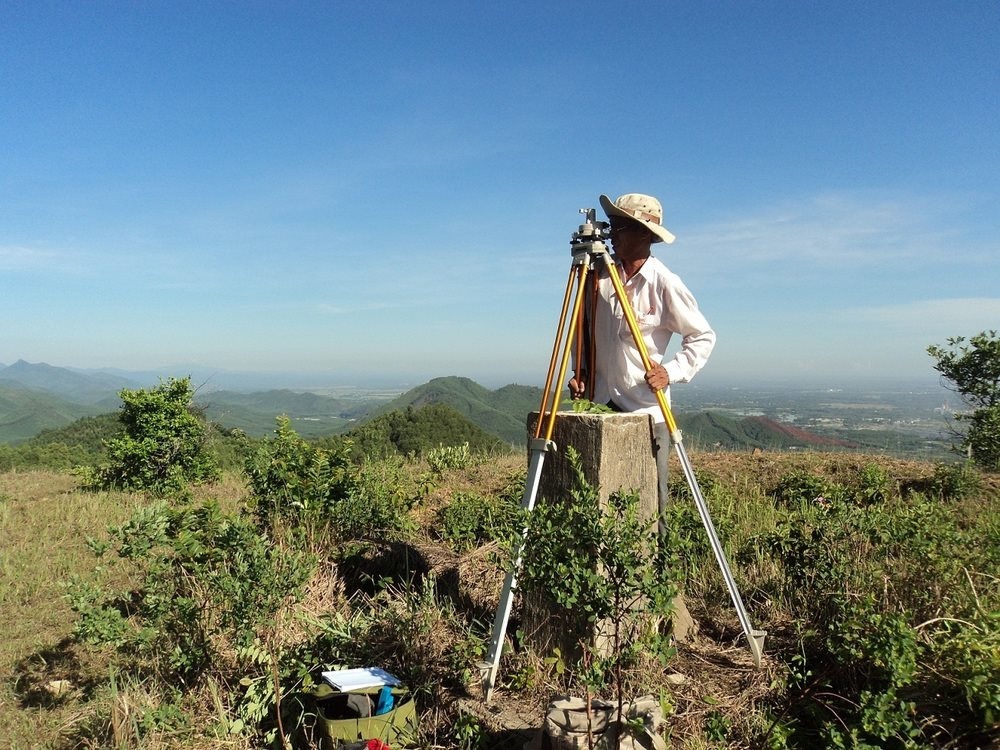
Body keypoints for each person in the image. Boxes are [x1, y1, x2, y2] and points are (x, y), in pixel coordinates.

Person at [568, 193, 715, 529]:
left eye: (622, 227)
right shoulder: (599, 278)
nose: (613, 234)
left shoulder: (665, 283)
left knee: (652, 501)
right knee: (596, 498)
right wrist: (583, 372)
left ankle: (658, 572)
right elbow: (583, 329)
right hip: (601, 403)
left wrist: (672, 371)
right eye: (614, 226)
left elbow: (702, 335)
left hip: (646, 410)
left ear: (646, 235)